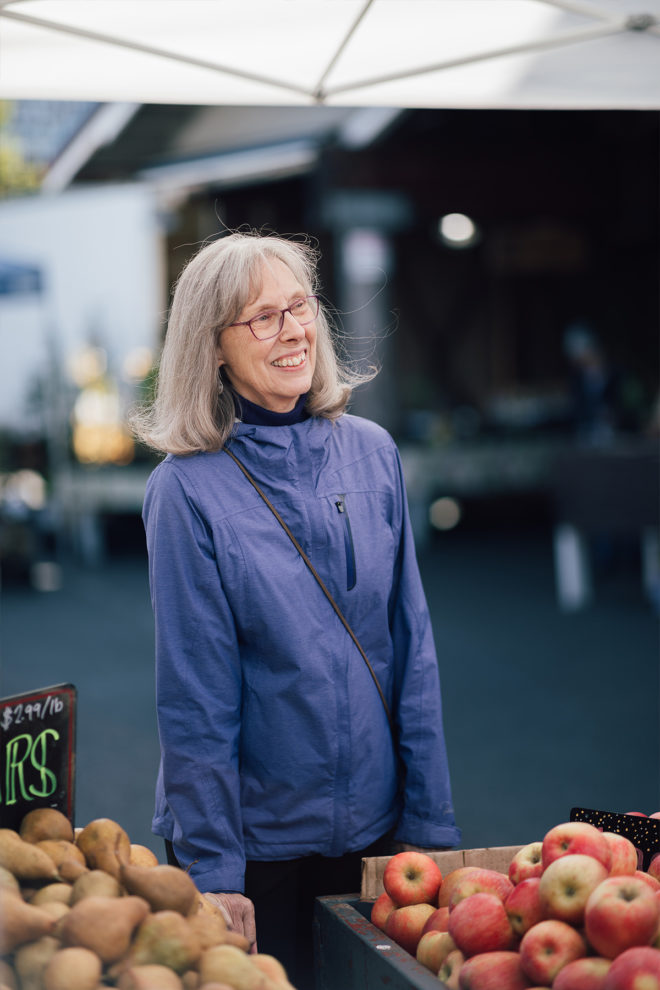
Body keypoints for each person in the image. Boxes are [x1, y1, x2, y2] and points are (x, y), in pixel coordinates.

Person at [133, 229, 461, 989]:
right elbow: (195, 697)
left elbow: (413, 653)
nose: (294, 331)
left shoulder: (373, 453)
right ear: (211, 347)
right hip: (258, 852)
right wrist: (216, 870)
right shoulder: (186, 493)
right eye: (262, 318)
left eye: (300, 306)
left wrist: (431, 829)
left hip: (377, 836)